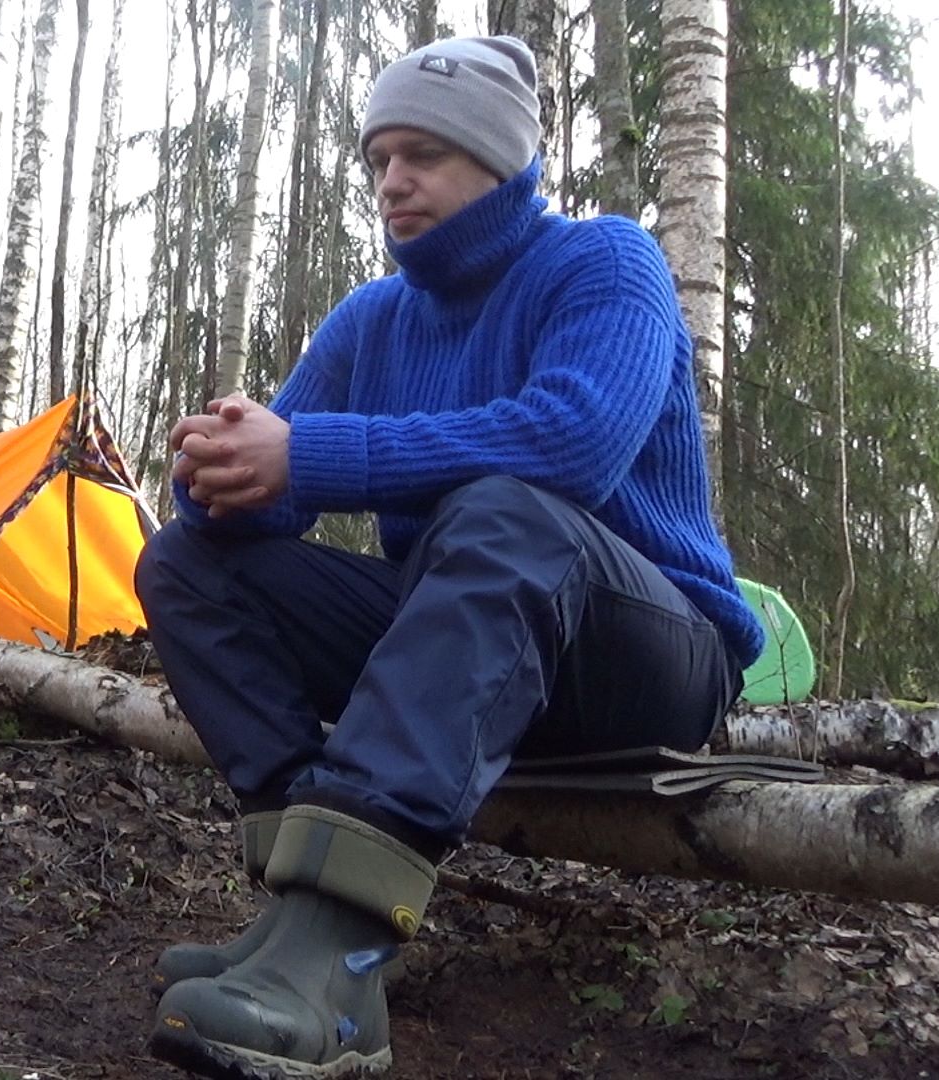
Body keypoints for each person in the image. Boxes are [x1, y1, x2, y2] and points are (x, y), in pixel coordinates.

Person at [134, 34, 765, 1080]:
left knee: (504, 509)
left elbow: (574, 446)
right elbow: (278, 494)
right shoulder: (374, 318)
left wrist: (311, 457)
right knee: (184, 571)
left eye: (423, 152)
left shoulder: (606, 262)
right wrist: (219, 475)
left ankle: (336, 953)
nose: (393, 181)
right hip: (477, 641)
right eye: (379, 156)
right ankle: (309, 920)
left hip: (647, 660)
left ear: (503, 159)